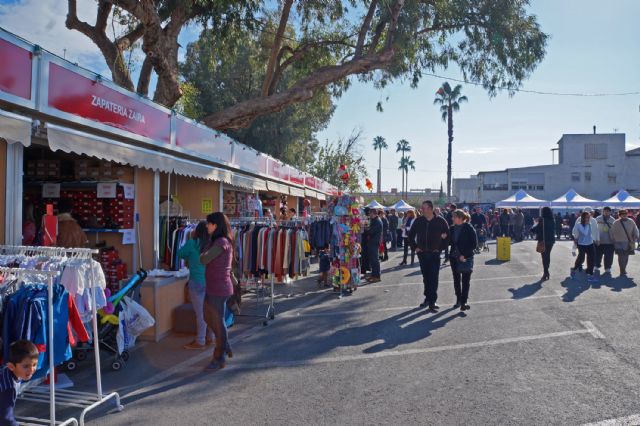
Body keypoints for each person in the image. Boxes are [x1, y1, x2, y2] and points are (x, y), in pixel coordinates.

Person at [200, 212, 235, 371]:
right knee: (208, 317)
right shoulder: (215, 241)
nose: (207, 226)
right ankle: (225, 343)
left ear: (216, 225)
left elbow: (204, 259)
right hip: (214, 287)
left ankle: (219, 357)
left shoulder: (221, 242)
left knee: (218, 322)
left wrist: (203, 253)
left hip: (219, 288)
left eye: (209, 223)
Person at [178, 222, 216, 350]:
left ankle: (200, 340)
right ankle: (210, 337)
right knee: (210, 311)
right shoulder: (213, 244)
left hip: (197, 282)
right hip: (211, 282)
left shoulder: (192, 243)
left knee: (200, 314)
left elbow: (180, 253)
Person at [408, 200, 450, 311]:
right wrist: (415, 247)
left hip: (435, 254)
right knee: (426, 277)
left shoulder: (440, 221)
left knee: (434, 277)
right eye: (422, 208)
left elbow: (448, 236)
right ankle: (427, 298)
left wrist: (441, 248)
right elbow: (410, 235)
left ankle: (433, 301)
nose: (422, 210)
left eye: (424, 208)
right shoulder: (419, 221)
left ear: (431, 209)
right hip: (422, 254)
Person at [1, 340, 39, 426]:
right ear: (11, 366)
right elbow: (5, 418)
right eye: (26, 366)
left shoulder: (6, 370)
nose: (31, 370)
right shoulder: (8, 389)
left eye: (34, 364)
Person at [448, 210, 478, 311]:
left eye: (454, 217)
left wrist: (464, 255)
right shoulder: (451, 228)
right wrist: (444, 238)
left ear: (460, 218)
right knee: (456, 279)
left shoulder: (468, 227)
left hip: (466, 257)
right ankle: (458, 299)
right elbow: (449, 242)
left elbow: (474, 244)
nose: (452, 218)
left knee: (466, 280)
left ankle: (464, 301)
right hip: (454, 257)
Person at [571, 210, 599, 282]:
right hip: (582, 244)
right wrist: (587, 224)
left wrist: (596, 239)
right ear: (583, 218)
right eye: (586, 217)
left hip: (590, 243)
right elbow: (585, 233)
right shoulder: (579, 224)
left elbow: (592, 233)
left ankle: (590, 274)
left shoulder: (589, 224)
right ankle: (574, 269)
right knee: (581, 258)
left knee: (591, 259)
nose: (588, 219)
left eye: (589, 217)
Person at [611, 209, 639, 276]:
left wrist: (636, 236)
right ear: (619, 215)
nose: (624, 215)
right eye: (622, 214)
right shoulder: (616, 222)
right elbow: (612, 232)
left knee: (626, 256)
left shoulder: (631, 221)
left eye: (625, 214)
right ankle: (622, 270)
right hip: (618, 242)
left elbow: (635, 230)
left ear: (627, 214)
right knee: (621, 256)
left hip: (628, 242)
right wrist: (613, 240)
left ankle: (624, 269)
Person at [531, 206, 556, 281]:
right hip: (551, 240)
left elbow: (536, 229)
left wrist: (532, 229)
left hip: (543, 240)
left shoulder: (542, 220)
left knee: (544, 256)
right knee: (547, 255)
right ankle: (546, 271)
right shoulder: (552, 220)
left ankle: (546, 272)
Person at [595, 207, 615, 276]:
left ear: (610, 212)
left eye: (608, 211)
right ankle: (597, 265)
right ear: (602, 211)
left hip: (609, 241)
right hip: (599, 241)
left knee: (609, 256)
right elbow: (594, 229)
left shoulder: (613, 220)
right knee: (598, 255)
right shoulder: (598, 218)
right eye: (605, 211)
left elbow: (615, 230)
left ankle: (608, 268)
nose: (606, 212)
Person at [367, 208, 383, 283]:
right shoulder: (375, 220)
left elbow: (371, 231)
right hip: (373, 241)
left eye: (370, 213)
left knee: (375, 260)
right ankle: (374, 275)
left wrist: (366, 229)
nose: (369, 215)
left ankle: (377, 276)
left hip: (374, 242)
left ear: (374, 213)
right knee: (373, 260)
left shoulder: (377, 221)